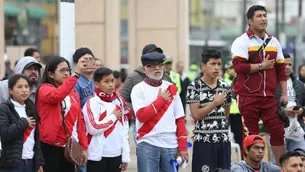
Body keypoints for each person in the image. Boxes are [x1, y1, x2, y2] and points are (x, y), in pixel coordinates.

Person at [231, 5, 287, 165]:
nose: (263, 19)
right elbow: (239, 67)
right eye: (259, 16)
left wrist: (284, 94)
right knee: (251, 137)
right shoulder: (241, 41)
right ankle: (249, 168)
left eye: (265, 15)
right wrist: (261, 66)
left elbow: (281, 70)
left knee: (278, 132)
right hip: (247, 97)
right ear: (250, 21)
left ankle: (281, 167)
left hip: (269, 98)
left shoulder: (274, 42)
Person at [131, 53, 188, 172]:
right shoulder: (138, 89)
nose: (157, 68)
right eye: (151, 66)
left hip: (171, 145)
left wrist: (182, 147)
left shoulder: (171, 88)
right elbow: (141, 116)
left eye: (159, 65)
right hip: (147, 143)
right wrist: (160, 100)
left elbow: (180, 119)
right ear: (144, 69)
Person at [36, 56, 88, 172]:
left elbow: (79, 122)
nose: (66, 73)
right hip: (50, 146)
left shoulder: (73, 93)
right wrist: (76, 75)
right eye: (62, 70)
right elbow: (57, 95)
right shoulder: (44, 89)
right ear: (51, 74)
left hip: (68, 147)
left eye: (68, 70)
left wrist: (84, 147)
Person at [186, 48, 232, 171]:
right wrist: (214, 103)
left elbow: (226, 114)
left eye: (219, 64)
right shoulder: (194, 87)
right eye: (212, 64)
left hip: (223, 141)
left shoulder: (226, 86)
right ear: (203, 66)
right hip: (204, 142)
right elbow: (195, 115)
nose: (216, 68)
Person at [82, 67, 131, 172]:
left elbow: (125, 130)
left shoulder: (120, 102)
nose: (111, 84)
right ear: (96, 84)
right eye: (106, 81)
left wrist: (125, 156)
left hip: (117, 155)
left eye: (112, 81)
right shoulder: (92, 103)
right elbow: (93, 128)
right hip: (97, 156)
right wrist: (113, 117)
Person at [120, 44, 171, 143]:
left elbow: (171, 98)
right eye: (153, 55)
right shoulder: (133, 77)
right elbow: (123, 100)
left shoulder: (165, 76)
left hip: (163, 124)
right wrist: (138, 110)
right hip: (141, 124)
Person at [0, 74, 44, 172]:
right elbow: (4, 133)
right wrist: (24, 122)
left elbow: (36, 139)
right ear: (10, 90)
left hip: (31, 162)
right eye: (19, 87)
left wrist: (39, 162)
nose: (24, 90)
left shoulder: (31, 108)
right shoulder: (4, 108)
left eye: (26, 86)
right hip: (13, 163)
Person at [275, 54, 305, 151]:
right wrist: (284, 111)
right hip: (278, 129)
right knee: (279, 162)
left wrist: (302, 110)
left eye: (290, 64)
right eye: (284, 64)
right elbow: (268, 106)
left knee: (300, 159)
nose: (287, 67)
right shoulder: (271, 84)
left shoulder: (300, 85)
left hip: (297, 128)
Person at [223, 61, 242, 150]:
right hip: (226, 113)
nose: (233, 70)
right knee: (225, 136)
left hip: (238, 113)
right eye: (230, 68)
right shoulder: (223, 82)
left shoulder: (240, 80)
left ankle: (241, 157)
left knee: (239, 136)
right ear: (226, 70)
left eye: (234, 68)